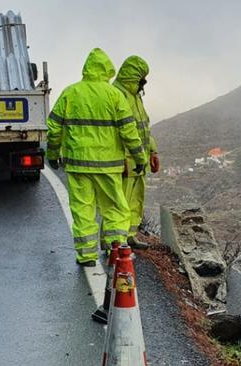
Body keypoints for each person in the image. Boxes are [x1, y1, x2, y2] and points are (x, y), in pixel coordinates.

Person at [46, 48, 148, 267]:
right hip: (108, 168)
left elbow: (53, 127)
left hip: (78, 166)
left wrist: (52, 154)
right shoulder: (114, 95)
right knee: (115, 209)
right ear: (107, 69)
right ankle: (115, 250)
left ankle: (86, 256)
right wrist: (140, 158)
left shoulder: (70, 93)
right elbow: (129, 131)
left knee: (83, 210)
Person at [112, 56, 160, 249]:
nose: (144, 82)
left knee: (135, 200)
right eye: (142, 77)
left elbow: (143, 128)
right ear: (133, 76)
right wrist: (121, 158)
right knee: (120, 202)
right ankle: (117, 242)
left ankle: (130, 236)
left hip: (139, 159)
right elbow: (117, 131)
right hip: (126, 160)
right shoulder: (118, 94)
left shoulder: (135, 97)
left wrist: (153, 151)